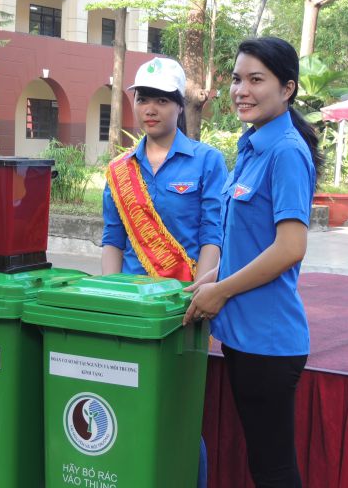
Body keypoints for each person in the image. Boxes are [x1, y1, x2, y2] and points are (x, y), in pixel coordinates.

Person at [183, 37, 322, 487]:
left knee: (274, 467)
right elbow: (246, 240)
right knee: (264, 465)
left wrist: (220, 292)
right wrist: (210, 277)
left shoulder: (285, 152)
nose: (241, 89)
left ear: (287, 89)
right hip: (245, 338)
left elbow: (289, 247)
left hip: (270, 341)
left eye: (256, 80)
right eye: (238, 79)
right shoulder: (253, 146)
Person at [101, 57, 227, 488]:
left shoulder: (207, 161)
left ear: (178, 106)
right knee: (126, 402)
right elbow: (113, 239)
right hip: (133, 308)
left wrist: (204, 289)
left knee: (180, 413)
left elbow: (214, 232)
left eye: (160, 99)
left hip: (183, 306)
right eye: (142, 99)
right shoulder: (121, 170)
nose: (149, 108)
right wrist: (110, 298)